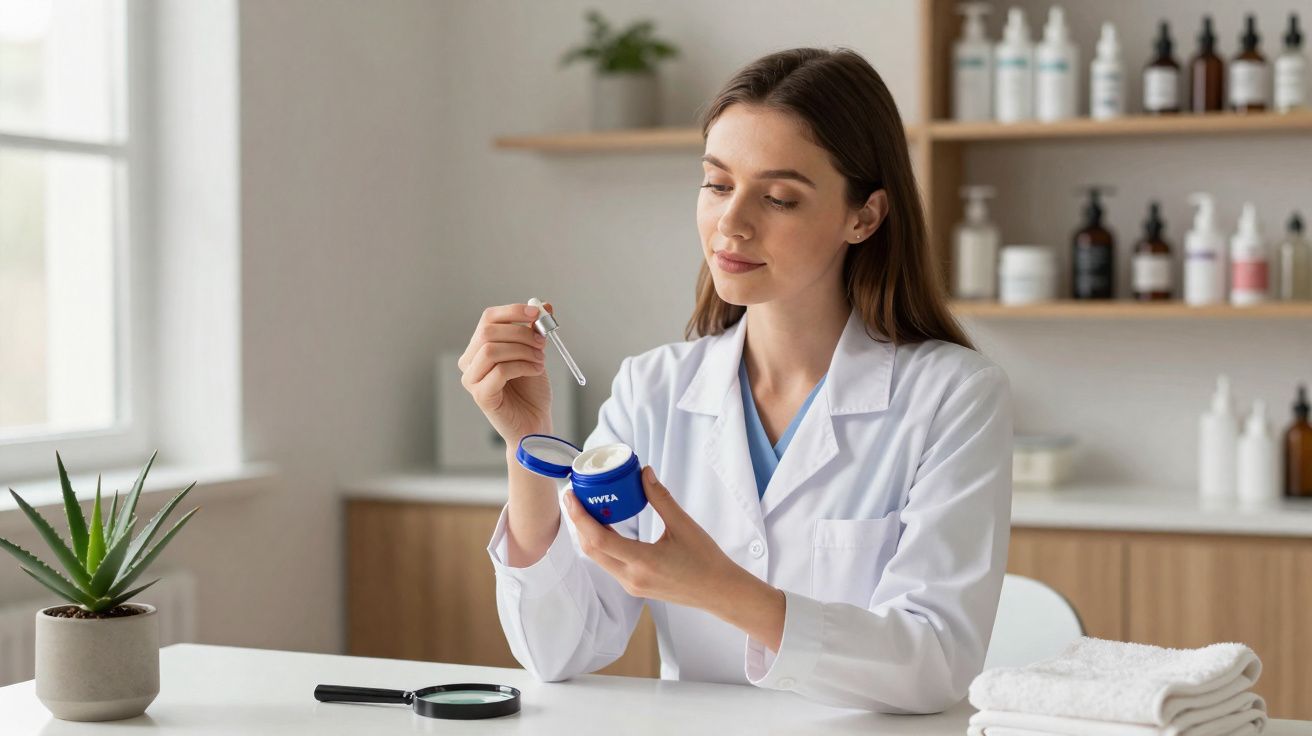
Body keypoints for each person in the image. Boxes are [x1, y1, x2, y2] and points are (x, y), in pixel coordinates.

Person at [457, 47, 1013, 714]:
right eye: (718, 184)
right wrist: (530, 445)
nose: (732, 222)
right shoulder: (652, 391)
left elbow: (936, 663)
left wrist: (720, 588)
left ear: (863, 216)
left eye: (778, 197)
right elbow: (558, 649)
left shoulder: (953, 397)